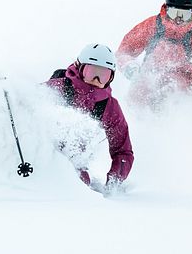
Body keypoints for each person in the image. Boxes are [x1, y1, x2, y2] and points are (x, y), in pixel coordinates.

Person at [45, 43, 134, 192]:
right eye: (92, 72)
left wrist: (114, 182)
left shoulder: (108, 106)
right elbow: (27, 104)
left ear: (111, 77)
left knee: (80, 184)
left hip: (76, 169)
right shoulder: (58, 88)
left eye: (103, 75)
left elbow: (123, 151)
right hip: (46, 159)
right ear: (79, 68)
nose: (97, 79)